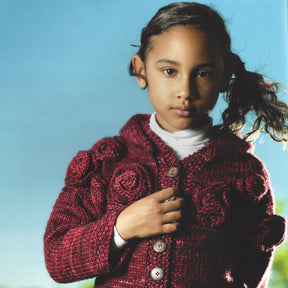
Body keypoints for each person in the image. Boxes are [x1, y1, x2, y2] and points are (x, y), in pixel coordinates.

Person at [44, 2, 287, 287]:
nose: (185, 90)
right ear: (141, 70)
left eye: (203, 73)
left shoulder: (246, 173)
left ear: (225, 75)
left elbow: (254, 275)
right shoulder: (108, 160)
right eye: (170, 71)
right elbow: (56, 258)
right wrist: (122, 228)